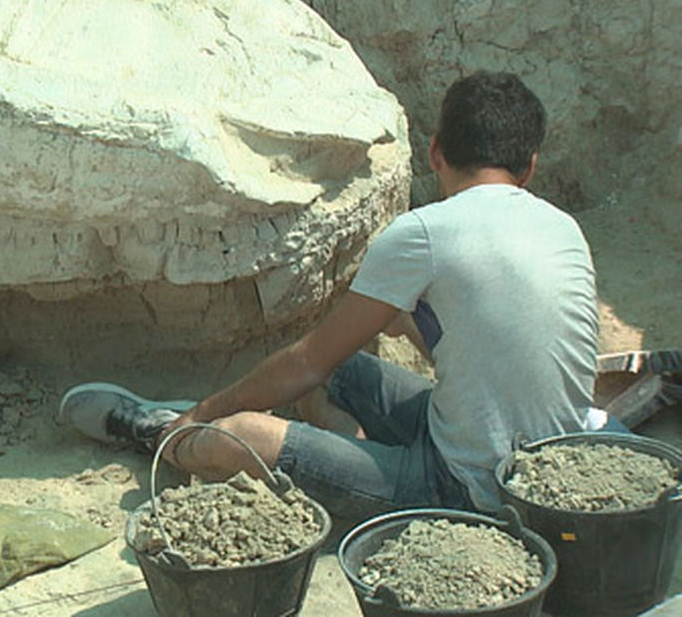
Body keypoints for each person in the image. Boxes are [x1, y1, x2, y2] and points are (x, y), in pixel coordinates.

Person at [60, 71, 604, 517]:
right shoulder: (564, 230)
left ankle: (165, 436)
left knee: (236, 434)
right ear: (529, 166)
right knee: (348, 373)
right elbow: (489, 358)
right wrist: (416, 322)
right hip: (543, 480)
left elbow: (307, 362)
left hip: (467, 491)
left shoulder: (425, 233)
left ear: (434, 151)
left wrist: (205, 411)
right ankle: (350, 458)